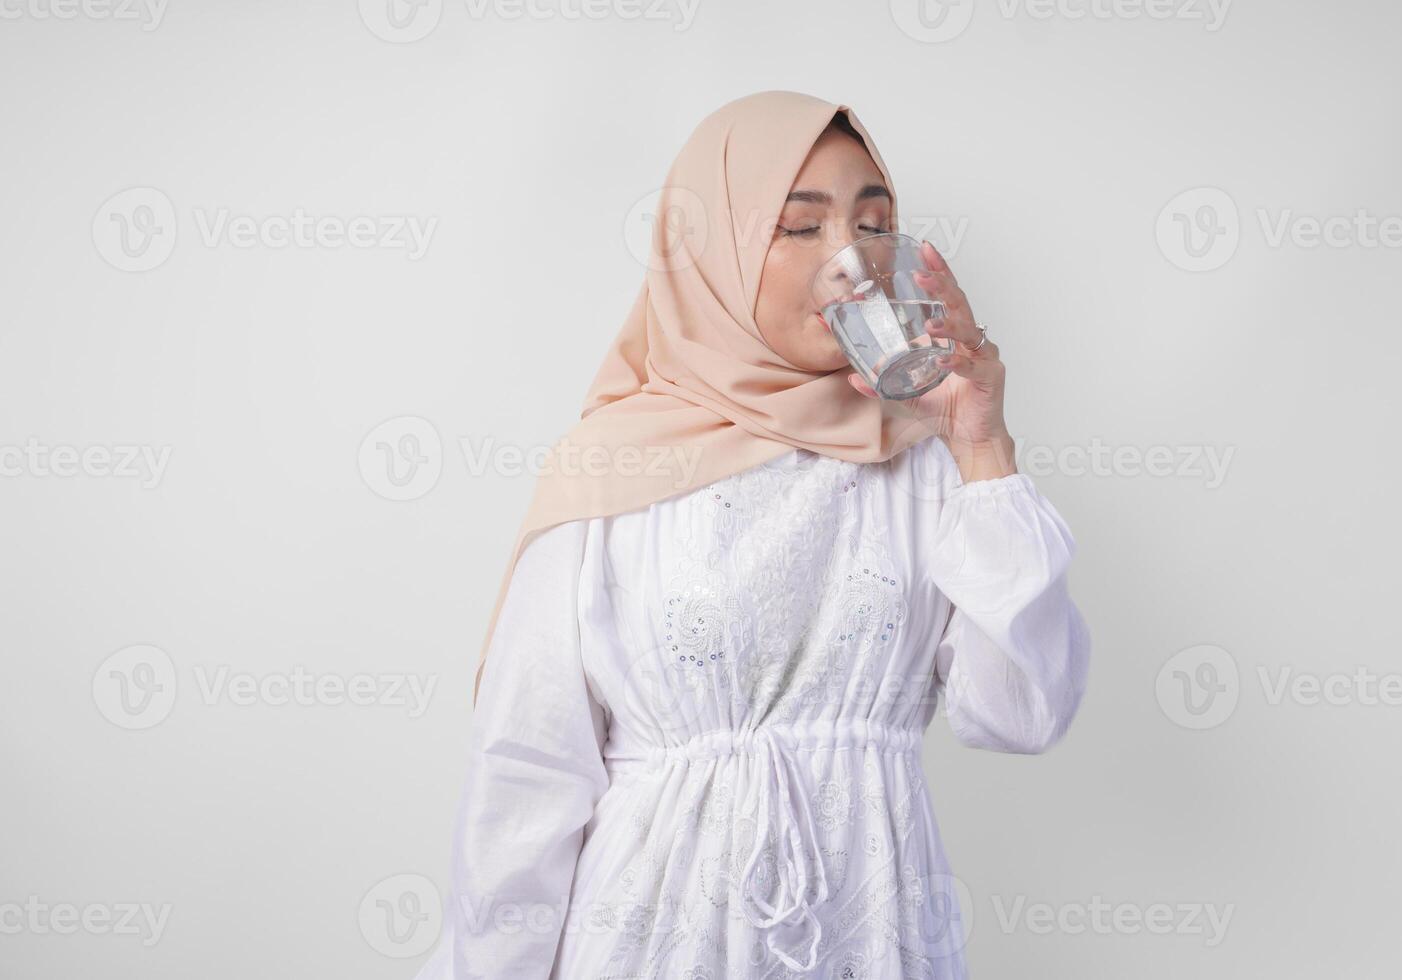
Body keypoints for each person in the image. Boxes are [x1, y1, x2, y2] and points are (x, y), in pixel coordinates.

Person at [414, 90, 1091, 979]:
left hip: (873, 935)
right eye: (799, 227)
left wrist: (982, 444)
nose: (852, 261)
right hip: (651, 942)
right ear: (709, 254)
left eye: (874, 225)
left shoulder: (926, 466)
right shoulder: (610, 470)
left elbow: (1021, 714)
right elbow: (528, 777)